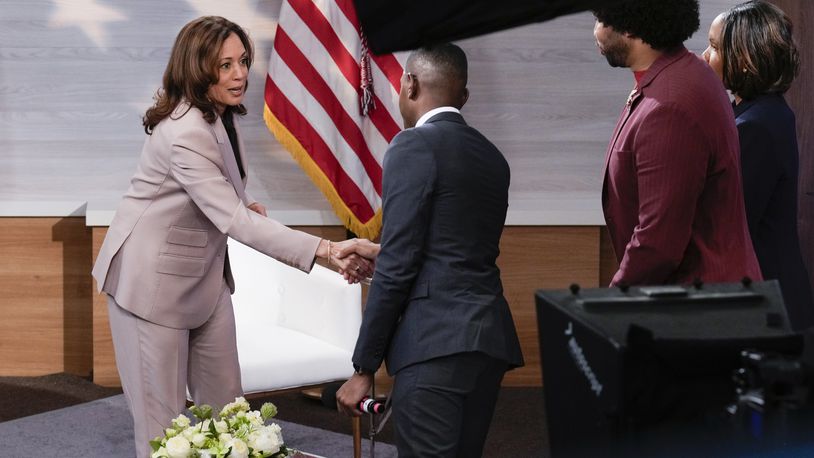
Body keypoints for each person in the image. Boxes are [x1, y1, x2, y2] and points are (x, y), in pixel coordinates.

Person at [91, 16, 372, 457]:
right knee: (162, 430)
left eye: (242, 61)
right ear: (198, 69)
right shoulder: (185, 132)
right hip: (150, 286)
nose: (239, 74)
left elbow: (225, 199)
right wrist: (326, 249)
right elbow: (234, 220)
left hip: (205, 278)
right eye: (224, 65)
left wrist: (245, 204)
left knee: (230, 414)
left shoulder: (220, 115)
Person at [335, 43, 524, 457]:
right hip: (486, 340)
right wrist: (382, 253)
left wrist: (363, 367)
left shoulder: (411, 145)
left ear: (409, 84)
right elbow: (451, 246)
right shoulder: (493, 158)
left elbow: (401, 264)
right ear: (464, 97)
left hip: (434, 341)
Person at [591, 0, 762, 286]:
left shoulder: (669, 105)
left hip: (701, 307)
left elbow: (658, 242)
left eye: (600, 19)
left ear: (630, 26)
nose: (595, 31)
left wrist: (610, 302)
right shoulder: (680, 73)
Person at [703, 1, 814, 330]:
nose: (704, 57)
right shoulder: (762, 111)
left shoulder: (755, 125)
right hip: (770, 292)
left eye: (713, 47)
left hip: (769, 299)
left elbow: (732, 224)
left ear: (746, 60)